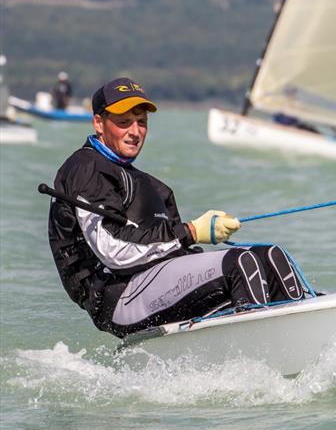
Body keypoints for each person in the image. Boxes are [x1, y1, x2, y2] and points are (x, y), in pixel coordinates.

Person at [47, 77, 305, 338]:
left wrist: (200, 243)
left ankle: (301, 328)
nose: (135, 132)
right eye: (123, 122)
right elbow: (113, 250)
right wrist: (192, 231)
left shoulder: (155, 187)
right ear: (98, 123)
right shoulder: (85, 168)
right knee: (241, 263)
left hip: (156, 287)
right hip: (117, 298)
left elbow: (174, 252)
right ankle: (260, 351)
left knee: (270, 255)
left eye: (142, 122)